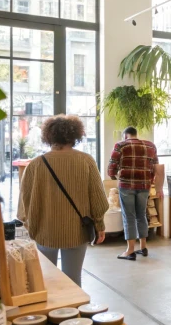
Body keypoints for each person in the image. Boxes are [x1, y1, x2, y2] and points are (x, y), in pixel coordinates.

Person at [18, 115, 108, 287]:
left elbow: (24, 202)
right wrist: (99, 225)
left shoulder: (35, 164)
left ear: (48, 136)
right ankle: (74, 305)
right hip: (77, 231)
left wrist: (30, 225)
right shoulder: (86, 161)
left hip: (45, 231)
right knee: (73, 280)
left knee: (46, 279)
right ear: (75, 135)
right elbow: (98, 200)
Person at [108, 126, 163, 260]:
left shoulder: (120, 145)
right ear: (135, 134)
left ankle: (130, 251)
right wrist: (158, 187)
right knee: (141, 215)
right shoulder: (150, 146)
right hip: (144, 186)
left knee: (129, 217)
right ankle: (143, 247)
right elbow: (157, 168)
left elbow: (111, 168)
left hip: (126, 185)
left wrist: (114, 175)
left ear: (125, 135)